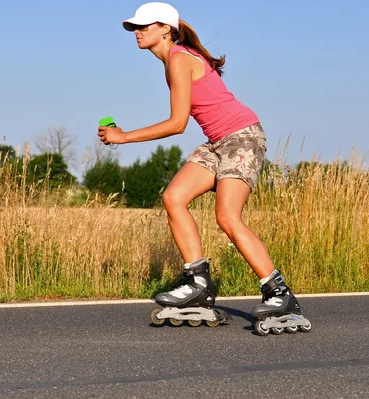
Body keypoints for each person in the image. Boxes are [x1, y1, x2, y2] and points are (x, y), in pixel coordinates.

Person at [98, 2, 311, 334]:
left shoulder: (179, 59)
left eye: (144, 26)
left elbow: (178, 123)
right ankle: (198, 282)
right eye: (134, 27)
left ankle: (278, 292)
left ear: (165, 29)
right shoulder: (175, 60)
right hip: (217, 142)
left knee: (226, 216)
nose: (137, 31)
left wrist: (124, 137)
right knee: (174, 197)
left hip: (242, 138)